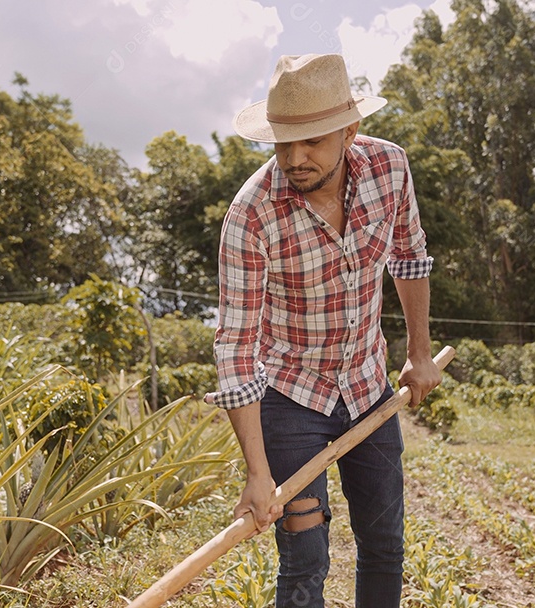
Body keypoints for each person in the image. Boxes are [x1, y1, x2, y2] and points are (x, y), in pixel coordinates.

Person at [203, 53, 441, 608]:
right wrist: (257, 474)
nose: (294, 157)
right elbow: (236, 348)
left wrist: (420, 354)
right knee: (305, 559)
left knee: (384, 544)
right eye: (284, 141)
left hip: (367, 387)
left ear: (349, 131)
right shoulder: (251, 214)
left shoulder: (390, 169)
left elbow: (409, 257)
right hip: (289, 399)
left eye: (311, 141)